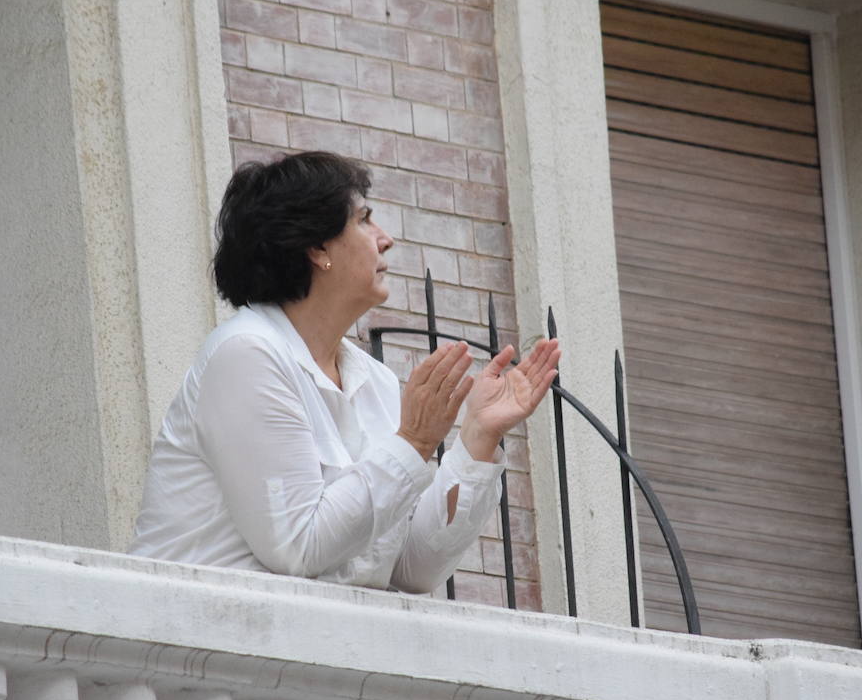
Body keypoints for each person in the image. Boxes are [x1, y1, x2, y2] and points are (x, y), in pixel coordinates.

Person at [128, 151, 560, 593]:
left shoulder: (374, 381)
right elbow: (298, 547)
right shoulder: (246, 356)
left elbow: (412, 569)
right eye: (364, 220)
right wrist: (413, 441)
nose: (385, 239)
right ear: (317, 247)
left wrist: (478, 438)